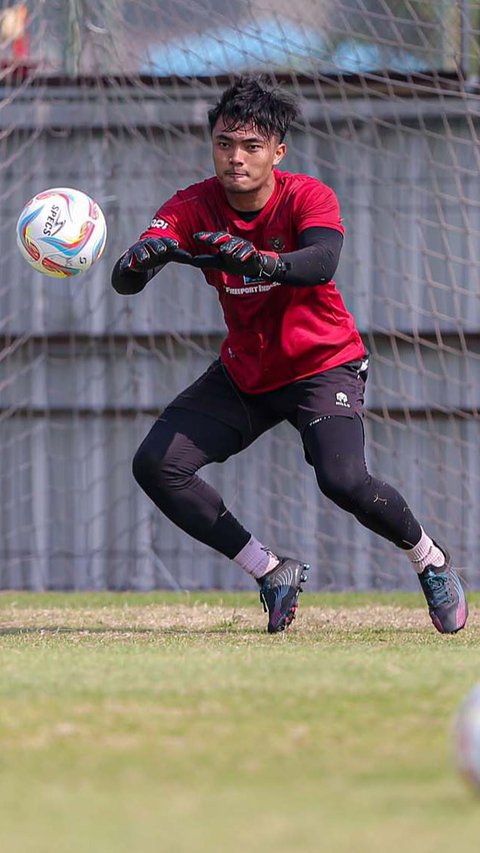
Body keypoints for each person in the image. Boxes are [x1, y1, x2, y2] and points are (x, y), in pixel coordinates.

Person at [111, 75, 468, 635]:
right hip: (245, 372)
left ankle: (430, 559)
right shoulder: (191, 204)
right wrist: (140, 257)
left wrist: (259, 262)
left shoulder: (307, 195)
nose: (236, 158)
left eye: (252, 147)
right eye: (225, 143)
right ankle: (270, 570)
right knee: (158, 466)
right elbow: (126, 282)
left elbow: (322, 261)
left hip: (322, 366)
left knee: (342, 479)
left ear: (278, 151)